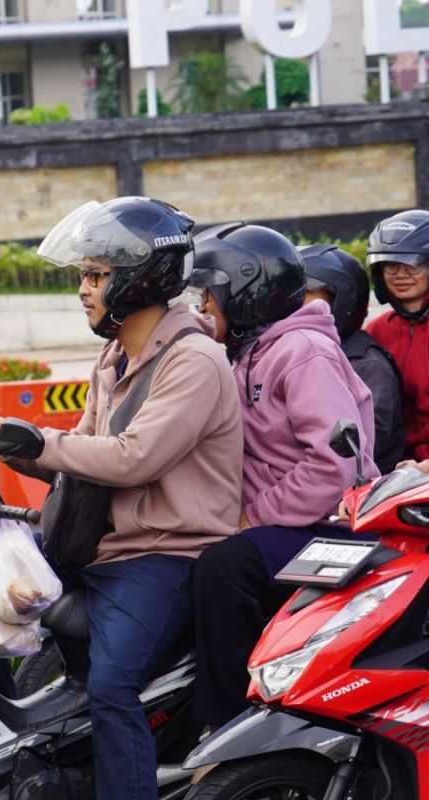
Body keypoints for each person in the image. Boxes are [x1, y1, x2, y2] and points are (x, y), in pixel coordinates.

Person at [0, 197, 243, 800]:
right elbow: (80, 452)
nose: (83, 289)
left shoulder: (195, 361)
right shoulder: (116, 353)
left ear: (141, 278)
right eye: (83, 274)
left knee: (113, 687)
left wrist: (19, 436)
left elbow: (133, 458)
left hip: (165, 555)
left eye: (96, 275)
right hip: (100, 542)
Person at [187, 223, 379, 736]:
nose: (202, 304)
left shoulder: (301, 353)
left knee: (225, 567)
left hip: (334, 529)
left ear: (246, 292)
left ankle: (227, 726)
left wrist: (251, 517)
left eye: (211, 292)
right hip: (285, 526)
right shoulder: (247, 353)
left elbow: (334, 466)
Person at [300, 243, 404, 473]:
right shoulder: (303, 353)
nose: (292, 303)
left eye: (304, 293)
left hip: (363, 493)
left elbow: (363, 446)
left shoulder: (367, 363)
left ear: (341, 297)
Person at [364, 209, 429, 461]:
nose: (401, 274)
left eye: (414, 263)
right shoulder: (376, 330)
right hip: (396, 466)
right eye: (391, 264)